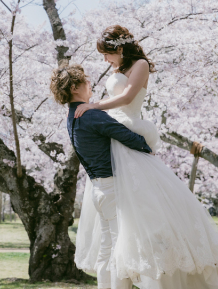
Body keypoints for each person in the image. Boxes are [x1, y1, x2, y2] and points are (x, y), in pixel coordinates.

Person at [70, 25, 218, 289]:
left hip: (129, 129)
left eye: (107, 54)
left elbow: (128, 96)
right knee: (116, 223)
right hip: (115, 137)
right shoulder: (118, 70)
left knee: (143, 213)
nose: (105, 61)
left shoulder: (140, 65)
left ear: (120, 49)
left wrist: (94, 105)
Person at [51, 63, 153, 289]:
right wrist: (148, 145)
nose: (90, 85)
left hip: (99, 189)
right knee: (120, 248)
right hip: (113, 189)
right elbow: (130, 138)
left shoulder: (73, 116)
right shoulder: (91, 115)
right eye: (86, 81)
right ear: (76, 87)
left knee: (107, 249)